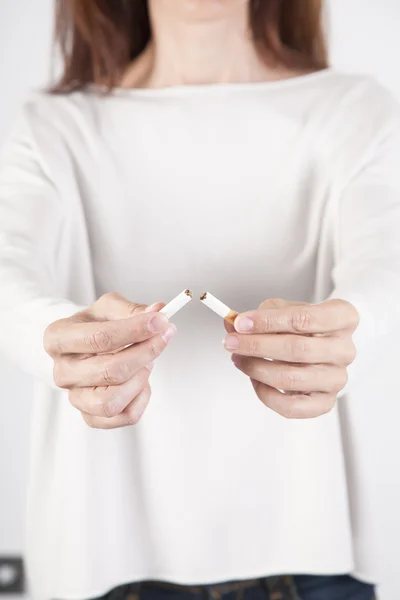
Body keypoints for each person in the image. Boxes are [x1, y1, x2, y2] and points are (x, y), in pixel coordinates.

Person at [1, 0, 399, 598]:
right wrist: (61, 340)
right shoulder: (52, 125)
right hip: (109, 568)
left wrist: (353, 332)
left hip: (315, 562)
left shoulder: (355, 110)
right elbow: (8, 274)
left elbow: (385, 264)